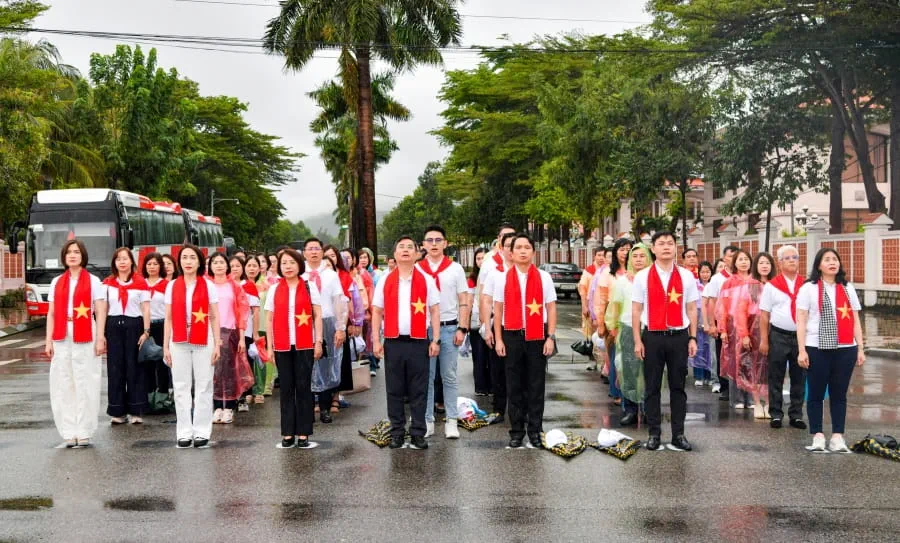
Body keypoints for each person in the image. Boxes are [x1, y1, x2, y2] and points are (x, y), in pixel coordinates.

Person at [632, 231, 699, 452]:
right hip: (652, 336)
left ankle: (678, 434)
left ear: (676, 247)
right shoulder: (643, 276)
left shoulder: (686, 276)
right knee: (652, 388)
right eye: (661, 244)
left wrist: (692, 337)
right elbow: (636, 309)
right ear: (653, 248)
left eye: (670, 243)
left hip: (678, 336)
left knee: (678, 387)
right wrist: (637, 341)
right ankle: (654, 433)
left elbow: (691, 308)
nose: (666, 247)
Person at [372, 235, 441, 450]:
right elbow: (377, 311)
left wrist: (436, 339)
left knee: (418, 389)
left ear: (417, 253)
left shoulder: (426, 280)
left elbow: (434, 310)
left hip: (419, 341)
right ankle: (397, 433)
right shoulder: (385, 280)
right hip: (393, 341)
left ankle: (418, 432)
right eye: (401, 247)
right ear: (394, 254)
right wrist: (376, 340)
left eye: (410, 247)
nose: (405, 250)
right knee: (394, 389)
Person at [492, 234, 557, 449]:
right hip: (511, 335)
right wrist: (499, 339)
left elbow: (551, 308)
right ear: (511, 253)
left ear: (533, 252)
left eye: (526, 247)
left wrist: (551, 337)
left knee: (536, 385)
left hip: (537, 335)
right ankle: (517, 431)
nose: (522, 251)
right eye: (518, 247)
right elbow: (498, 309)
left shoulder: (544, 278)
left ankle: (535, 430)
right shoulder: (502, 277)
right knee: (514, 386)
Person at [796, 248, 864, 452]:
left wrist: (860, 348)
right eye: (827, 259)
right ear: (819, 265)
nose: (832, 262)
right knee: (816, 393)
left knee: (839, 394)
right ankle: (817, 435)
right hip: (816, 347)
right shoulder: (808, 288)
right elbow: (801, 320)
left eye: (835, 259)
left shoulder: (847, 287)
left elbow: (855, 320)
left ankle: (837, 437)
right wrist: (801, 350)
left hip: (845, 348)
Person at [45, 239, 108, 448]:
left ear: (83, 256)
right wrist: (48, 340)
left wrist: (100, 337)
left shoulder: (94, 281)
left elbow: (100, 310)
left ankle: (84, 430)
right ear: (64, 256)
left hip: (85, 332)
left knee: (85, 380)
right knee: (64, 382)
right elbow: (52, 313)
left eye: (76, 252)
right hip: (62, 334)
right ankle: (68, 430)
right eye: (69, 252)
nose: (72, 255)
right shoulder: (56, 282)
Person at [265, 249, 324, 448]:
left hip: (305, 344)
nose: (288, 266)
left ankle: (304, 433)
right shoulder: (274, 289)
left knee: (303, 388)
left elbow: (317, 315)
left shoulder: (308, 286)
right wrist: (270, 347)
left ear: (299, 264)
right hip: (282, 345)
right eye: (284, 263)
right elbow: (269, 319)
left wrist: (318, 341)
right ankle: (288, 432)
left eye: (291, 262)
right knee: (287, 389)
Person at [163, 244, 221, 448]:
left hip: (203, 338)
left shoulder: (208, 286)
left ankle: (202, 431)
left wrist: (217, 344)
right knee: (180, 386)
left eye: (192, 258)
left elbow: (214, 316)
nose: (188, 261)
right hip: (178, 340)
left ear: (199, 262)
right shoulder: (172, 286)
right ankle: (184, 432)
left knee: (204, 385)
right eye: (184, 258)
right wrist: (166, 347)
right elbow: (168, 318)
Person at [417, 225, 470, 439]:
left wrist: (463, 327)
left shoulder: (455, 269)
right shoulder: (417, 268)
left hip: (449, 327)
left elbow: (464, 300)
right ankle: (428, 420)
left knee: (449, 376)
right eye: (429, 240)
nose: (434, 244)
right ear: (423, 245)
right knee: (426, 376)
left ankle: (451, 420)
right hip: (424, 329)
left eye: (438, 240)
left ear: (445, 243)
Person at [759, 245, 807, 430]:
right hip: (778, 335)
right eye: (787, 258)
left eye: (795, 257)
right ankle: (776, 414)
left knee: (799, 377)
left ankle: (796, 414)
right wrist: (764, 340)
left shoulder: (806, 285)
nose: (792, 260)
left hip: (800, 338)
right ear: (779, 263)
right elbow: (764, 315)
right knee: (776, 376)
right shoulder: (772, 286)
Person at [605, 243, 652, 426]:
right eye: (635, 256)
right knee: (628, 371)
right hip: (626, 329)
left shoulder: (654, 280)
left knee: (650, 372)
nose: (639, 259)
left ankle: (649, 410)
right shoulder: (623, 281)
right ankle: (630, 410)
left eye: (642, 256)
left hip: (649, 328)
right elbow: (614, 308)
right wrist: (614, 328)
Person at [302, 238, 348, 423]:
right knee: (306, 364)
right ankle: (307, 407)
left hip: (327, 320)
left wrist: (340, 328)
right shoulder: (299, 274)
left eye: (317, 249)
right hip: (304, 322)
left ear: (322, 252)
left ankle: (325, 407)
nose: (314, 252)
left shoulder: (331, 275)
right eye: (310, 249)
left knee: (327, 363)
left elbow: (339, 302)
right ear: (304, 252)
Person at [103, 247, 151, 425]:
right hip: (114, 325)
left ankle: (136, 409)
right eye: (118, 259)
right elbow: (103, 309)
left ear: (132, 261)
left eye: (125, 258)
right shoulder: (108, 284)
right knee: (115, 369)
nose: (122, 262)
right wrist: (101, 333)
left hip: (134, 325)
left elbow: (146, 308)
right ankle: (117, 410)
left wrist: (146, 331)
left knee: (135, 369)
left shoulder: (141, 283)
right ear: (114, 263)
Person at [478, 231, 517, 422]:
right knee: (498, 369)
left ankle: (520, 409)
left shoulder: (530, 273)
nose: (512, 250)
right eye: (508, 246)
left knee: (520, 370)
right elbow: (485, 301)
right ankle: (499, 409)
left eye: (515, 246)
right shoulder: (495, 272)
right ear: (501, 248)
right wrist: (486, 327)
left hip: (522, 327)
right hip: (499, 325)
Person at [208, 252, 250, 425]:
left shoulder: (234, 286)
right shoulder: (205, 285)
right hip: (209, 332)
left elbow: (241, 312)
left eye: (221, 262)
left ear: (227, 266)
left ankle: (229, 407)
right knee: (214, 371)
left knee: (229, 371)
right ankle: (217, 406)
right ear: (210, 266)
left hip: (230, 331)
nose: (218, 265)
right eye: (215, 262)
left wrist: (241, 337)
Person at [734, 252, 776, 419]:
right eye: (761, 263)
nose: (765, 266)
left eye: (767, 263)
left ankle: (770, 403)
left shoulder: (776, 285)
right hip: (754, 331)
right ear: (756, 266)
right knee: (754, 369)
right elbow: (740, 312)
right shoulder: (749, 286)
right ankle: (758, 403)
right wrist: (744, 334)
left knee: (771, 369)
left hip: (775, 330)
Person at [593, 238, 633, 402]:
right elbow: (601, 300)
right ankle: (616, 392)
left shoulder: (637, 271)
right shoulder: (608, 273)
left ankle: (631, 393)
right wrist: (601, 323)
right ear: (616, 252)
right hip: (613, 322)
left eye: (628, 249)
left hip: (632, 321)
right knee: (615, 358)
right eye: (622, 249)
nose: (625, 253)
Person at [716, 249, 755, 410]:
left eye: (746, 259)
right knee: (736, 362)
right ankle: (738, 397)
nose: (744, 262)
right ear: (735, 263)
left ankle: (752, 398)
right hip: (733, 327)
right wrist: (723, 329)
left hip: (753, 326)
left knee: (752, 363)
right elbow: (722, 308)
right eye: (740, 259)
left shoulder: (755, 281)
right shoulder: (729, 283)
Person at [703, 245, 739, 397]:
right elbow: (711, 302)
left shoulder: (744, 276)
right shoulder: (717, 279)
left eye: (736, 256)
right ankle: (724, 387)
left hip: (740, 323)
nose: (734, 259)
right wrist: (711, 324)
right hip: (722, 322)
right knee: (722, 354)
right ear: (724, 259)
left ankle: (740, 387)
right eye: (730, 256)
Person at [231, 256, 261, 410]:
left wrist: (255, 333)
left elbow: (255, 311)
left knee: (245, 362)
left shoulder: (248, 286)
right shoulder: (224, 285)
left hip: (246, 330)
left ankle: (245, 394)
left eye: (238, 265)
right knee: (230, 363)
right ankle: (232, 396)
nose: (235, 268)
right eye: (232, 265)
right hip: (228, 329)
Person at [142, 253, 172, 407]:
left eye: (155, 264)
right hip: (145, 327)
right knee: (146, 362)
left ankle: (162, 398)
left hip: (162, 325)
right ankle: (148, 397)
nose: (152, 267)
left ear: (160, 266)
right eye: (149, 264)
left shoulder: (167, 285)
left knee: (161, 363)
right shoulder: (140, 283)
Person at [690, 261, 717, 389]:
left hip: (710, 319)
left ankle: (709, 376)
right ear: (698, 273)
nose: (705, 274)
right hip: (697, 319)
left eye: (707, 271)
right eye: (703, 272)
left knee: (709, 350)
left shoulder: (714, 285)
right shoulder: (695, 285)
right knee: (698, 348)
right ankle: (698, 376)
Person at [467, 248, 491, 396]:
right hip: (476, 321)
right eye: (478, 258)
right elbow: (469, 301)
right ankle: (481, 386)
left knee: (491, 357)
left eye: (484, 258)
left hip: (492, 320)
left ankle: (493, 385)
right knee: (479, 355)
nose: (481, 261)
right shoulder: (472, 279)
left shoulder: (494, 275)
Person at [255, 253, 278, 395]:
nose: (261, 264)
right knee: (256, 356)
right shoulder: (248, 283)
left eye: (263, 261)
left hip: (267, 322)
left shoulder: (272, 283)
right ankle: (257, 385)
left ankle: (268, 384)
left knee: (268, 354)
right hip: (252, 325)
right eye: (259, 262)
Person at [578, 248, 605, 354]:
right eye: (599, 255)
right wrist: (584, 306)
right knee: (591, 333)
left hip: (604, 308)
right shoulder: (589, 271)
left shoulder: (608, 270)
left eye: (603, 255)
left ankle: (602, 358)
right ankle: (593, 357)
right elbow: (582, 289)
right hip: (591, 307)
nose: (601, 258)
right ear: (594, 256)